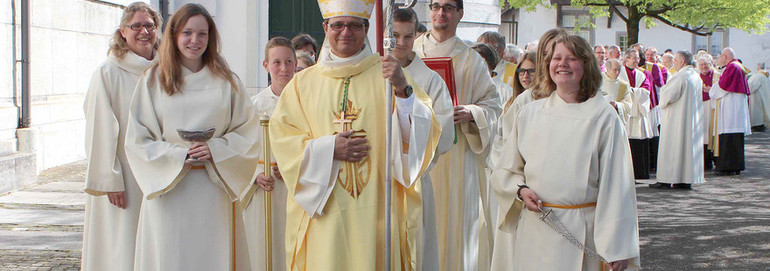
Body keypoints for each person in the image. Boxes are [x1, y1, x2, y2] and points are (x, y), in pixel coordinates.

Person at [268, 1, 442, 269]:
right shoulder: (303, 84)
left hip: (377, 209)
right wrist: (328, 150)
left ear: (367, 28)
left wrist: (402, 89)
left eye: (354, 25)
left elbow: (421, 134)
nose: (345, 32)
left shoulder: (389, 74)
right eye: (337, 25)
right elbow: (284, 139)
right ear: (326, 27)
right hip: (324, 212)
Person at [125, 4, 260, 270]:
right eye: (187, 33)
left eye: (202, 34)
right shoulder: (153, 80)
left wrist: (217, 150)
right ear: (174, 36)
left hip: (214, 190)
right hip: (169, 190)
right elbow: (137, 139)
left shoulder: (227, 81)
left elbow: (248, 133)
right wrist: (177, 156)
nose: (194, 41)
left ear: (211, 38)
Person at [491, 34, 640, 271]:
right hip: (536, 228)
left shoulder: (603, 117)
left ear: (586, 65)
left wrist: (618, 246)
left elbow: (617, 185)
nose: (562, 64)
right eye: (557, 58)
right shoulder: (529, 113)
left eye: (571, 59)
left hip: (583, 231)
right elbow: (506, 169)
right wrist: (520, 190)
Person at [413, 1, 502, 269]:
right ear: (429, 11)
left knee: (456, 226)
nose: (441, 13)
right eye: (436, 6)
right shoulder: (410, 54)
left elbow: (493, 106)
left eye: (448, 7)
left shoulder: (472, 60)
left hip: (457, 154)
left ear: (460, 14)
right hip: (417, 156)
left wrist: (472, 113)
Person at [81, 3, 161, 271]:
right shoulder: (108, 72)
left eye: (150, 25)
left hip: (158, 170)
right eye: (136, 26)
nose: (144, 32)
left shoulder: (166, 71)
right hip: (124, 175)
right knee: (122, 244)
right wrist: (110, 178)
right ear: (123, 32)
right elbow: (100, 128)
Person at [489, 28, 566, 271]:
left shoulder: (583, 99)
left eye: (562, 53)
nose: (555, 60)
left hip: (570, 203)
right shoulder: (526, 101)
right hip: (531, 200)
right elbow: (502, 148)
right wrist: (518, 186)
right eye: (548, 53)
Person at [393, 7, 454, 270]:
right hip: (376, 182)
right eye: (395, 36)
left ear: (416, 36)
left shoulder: (431, 81)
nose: (401, 44)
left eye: (408, 37)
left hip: (414, 180)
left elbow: (445, 134)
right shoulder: (369, 76)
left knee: (416, 248)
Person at [240, 37, 296, 271]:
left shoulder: (305, 101)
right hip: (264, 189)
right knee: (263, 251)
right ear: (266, 65)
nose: (283, 69)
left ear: (295, 64)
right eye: (276, 62)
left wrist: (295, 166)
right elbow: (240, 148)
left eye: (288, 62)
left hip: (296, 189)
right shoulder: (253, 106)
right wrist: (254, 174)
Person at [651, 51, 705, 189]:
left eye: (675, 60)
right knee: (686, 148)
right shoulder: (695, 76)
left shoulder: (680, 77)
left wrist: (662, 92)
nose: (673, 62)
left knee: (673, 147)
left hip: (676, 120)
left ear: (682, 62)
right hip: (690, 120)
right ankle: (684, 179)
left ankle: (667, 178)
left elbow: (667, 97)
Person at [710, 47, 752, 175]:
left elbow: (723, 86)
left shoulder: (732, 67)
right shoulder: (737, 66)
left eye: (721, 56)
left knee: (730, 137)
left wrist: (712, 89)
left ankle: (728, 166)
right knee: (734, 139)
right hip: (735, 108)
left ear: (725, 57)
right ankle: (735, 166)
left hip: (731, 110)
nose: (719, 59)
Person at [620, 49, 655, 180]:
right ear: (626, 59)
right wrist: (633, 92)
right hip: (625, 115)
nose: (636, 61)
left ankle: (640, 173)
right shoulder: (619, 73)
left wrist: (632, 91)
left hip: (637, 115)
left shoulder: (642, 75)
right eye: (633, 58)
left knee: (638, 144)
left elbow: (647, 91)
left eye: (637, 58)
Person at [698, 55, 720, 170]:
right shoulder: (696, 77)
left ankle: (712, 159)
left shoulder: (717, 76)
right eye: (701, 65)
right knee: (702, 133)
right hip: (700, 106)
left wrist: (710, 90)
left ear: (710, 65)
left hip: (712, 107)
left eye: (706, 64)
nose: (704, 67)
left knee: (711, 132)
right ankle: (703, 160)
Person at [600, 59, 633, 125]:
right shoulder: (597, 80)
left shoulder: (623, 85)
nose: (617, 72)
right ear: (607, 69)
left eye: (619, 70)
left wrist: (617, 105)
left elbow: (628, 105)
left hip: (615, 120)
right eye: (615, 70)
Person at [748, 63, 770, 132]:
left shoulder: (757, 76)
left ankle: (757, 125)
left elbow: (751, 87)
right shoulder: (767, 76)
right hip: (765, 97)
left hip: (757, 98)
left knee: (757, 112)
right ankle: (762, 124)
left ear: (758, 67)